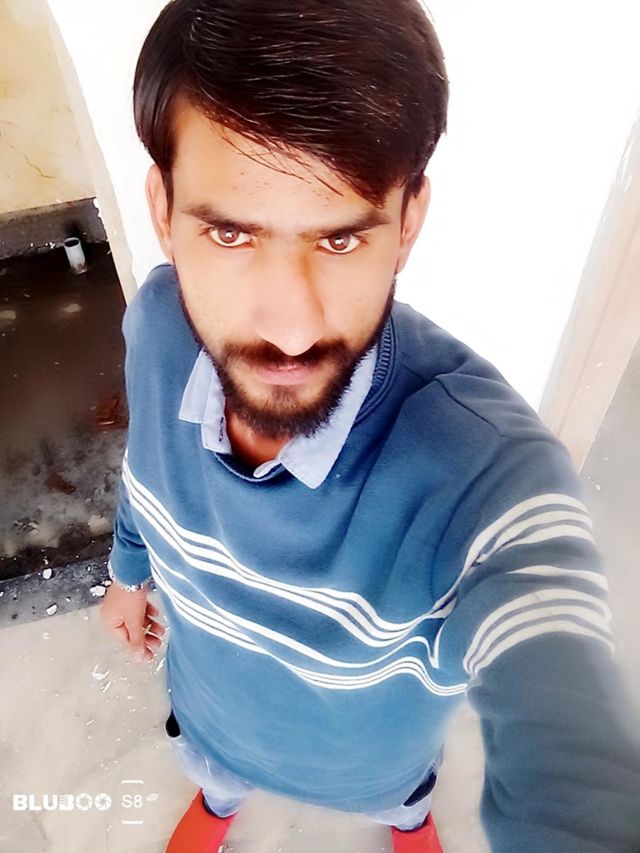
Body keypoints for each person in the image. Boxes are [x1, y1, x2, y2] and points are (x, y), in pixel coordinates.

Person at [100, 1, 640, 851]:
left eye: (340, 241)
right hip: (214, 716)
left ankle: (409, 822)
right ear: (163, 211)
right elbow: (146, 474)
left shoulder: (485, 476)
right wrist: (127, 573)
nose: (288, 328)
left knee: (403, 799)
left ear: (408, 222)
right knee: (215, 767)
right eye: (232, 232)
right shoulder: (159, 328)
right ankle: (220, 796)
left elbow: (562, 713)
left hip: (378, 768)